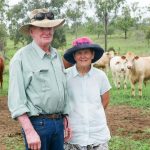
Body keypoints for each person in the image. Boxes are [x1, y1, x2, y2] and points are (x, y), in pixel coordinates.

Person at [8, 8, 70, 150]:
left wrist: (66, 118)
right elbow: (16, 100)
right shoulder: (21, 58)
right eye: (41, 28)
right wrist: (29, 132)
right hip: (38, 125)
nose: (47, 32)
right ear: (31, 31)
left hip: (59, 123)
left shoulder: (56, 55)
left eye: (50, 28)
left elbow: (63, 88)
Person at [63, 37, 111, 150]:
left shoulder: (101, 76)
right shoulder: (65, 76)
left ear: (92, 55)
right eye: (79, 53)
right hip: (74, 134)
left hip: (97, 133)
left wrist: (92, 114)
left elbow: (105, 100)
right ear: (74, 56)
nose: (83, 56)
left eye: (86, 52)